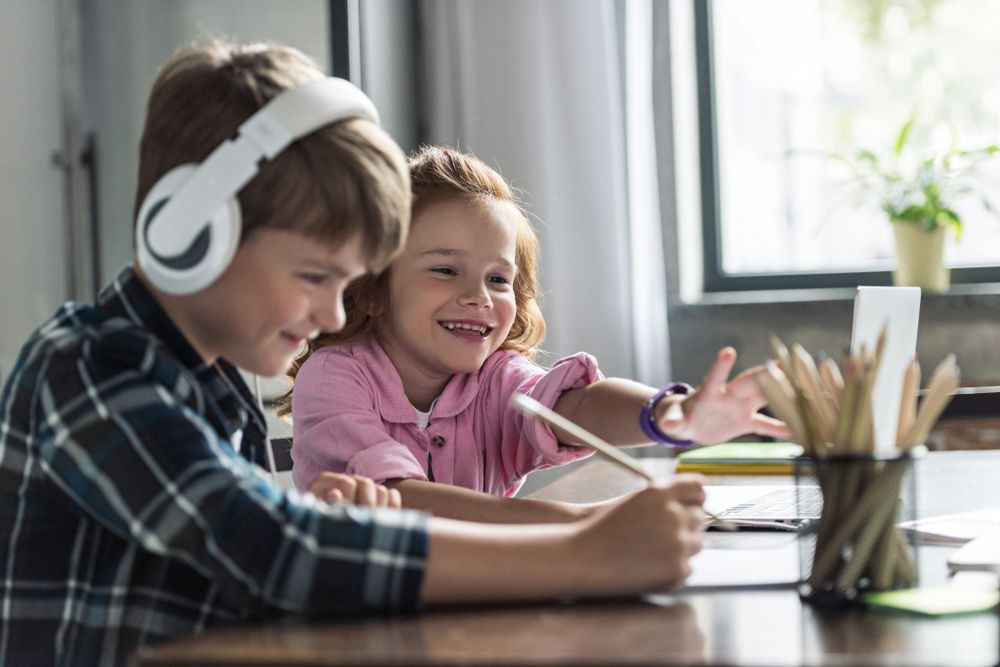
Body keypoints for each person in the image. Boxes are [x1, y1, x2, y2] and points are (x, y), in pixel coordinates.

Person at [0, 41, 707, 666]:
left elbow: (247, 572)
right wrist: (585, 548)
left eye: (347, 282)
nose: (335, 314)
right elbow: (272, 550)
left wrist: (349, 520)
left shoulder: (213, 386)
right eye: (316, 275)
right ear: (192, 233)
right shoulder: (88, 368)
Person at [282, 146, 788, 523]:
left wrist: (669, 415)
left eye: (498, 279)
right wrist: (581, 525)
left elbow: (575, 406)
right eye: (445, 270)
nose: (479, 296)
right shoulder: (333, 377)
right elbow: (400, 501)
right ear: (373, 289)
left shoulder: (496, 377)